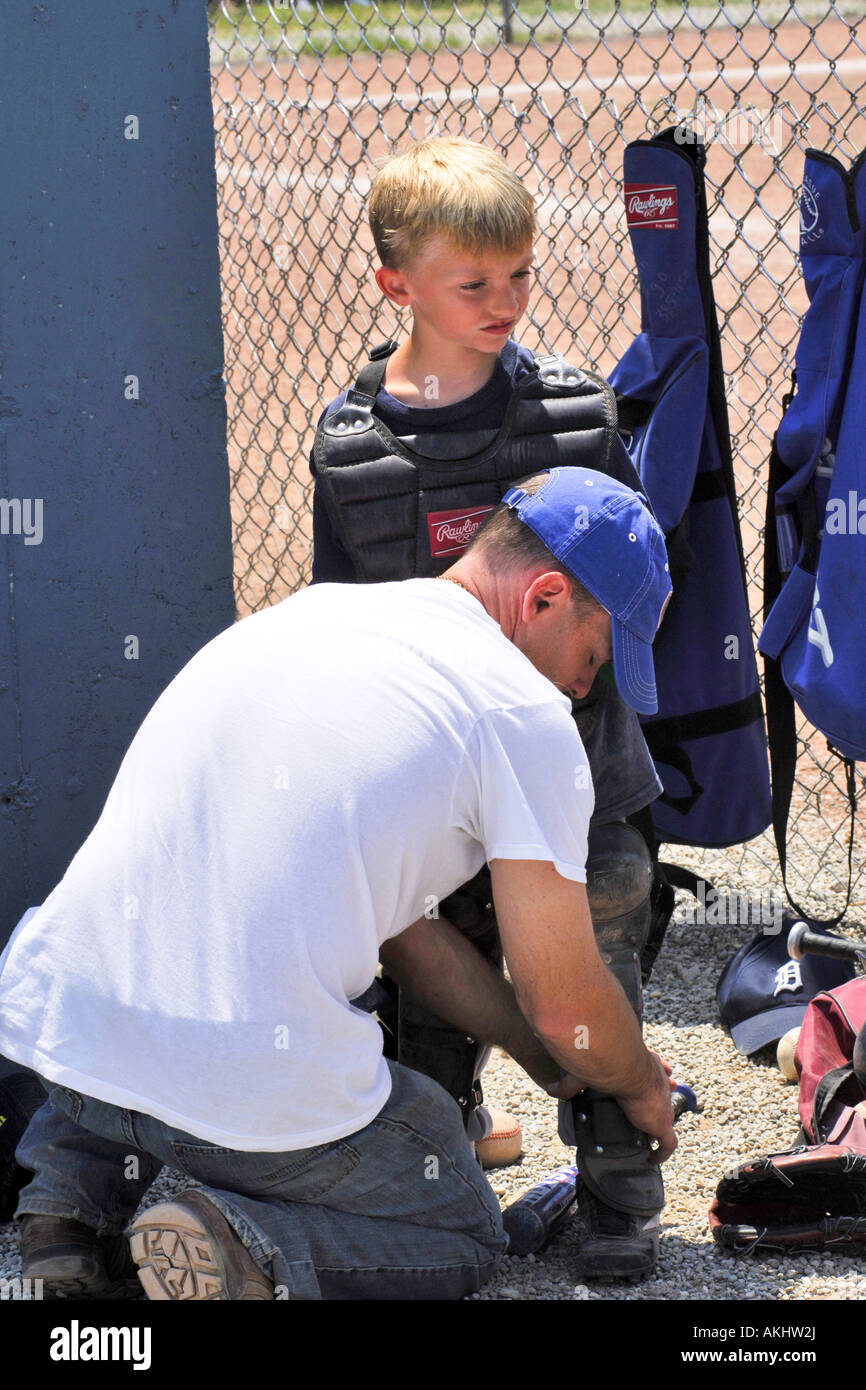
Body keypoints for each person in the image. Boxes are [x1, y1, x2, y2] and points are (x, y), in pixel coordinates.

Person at [0, 466, 676, 1301]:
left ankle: (67, 1209)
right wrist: (640, 1080)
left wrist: (543, 1060)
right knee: (461, 1225)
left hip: (65, 1050)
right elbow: (568, 1004)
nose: (584, 688)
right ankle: (244, 1247)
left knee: (152, 1015)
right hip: (227, 1088)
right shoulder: (520, 715)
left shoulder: (313, 614)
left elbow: (410, 939)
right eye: (595, 656)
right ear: (541, 598)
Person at [309, 137, 674, 1274]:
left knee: (597, 950)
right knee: (425, 994)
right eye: (474, 283)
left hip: (576, 767)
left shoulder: (573, 414)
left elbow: (616, 594)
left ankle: (617, 1198)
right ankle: (435, 1176)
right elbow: (345, 630)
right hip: (430, 790)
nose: (505, 301)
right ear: (395, 285)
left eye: (519, 274)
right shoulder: (355, 451)